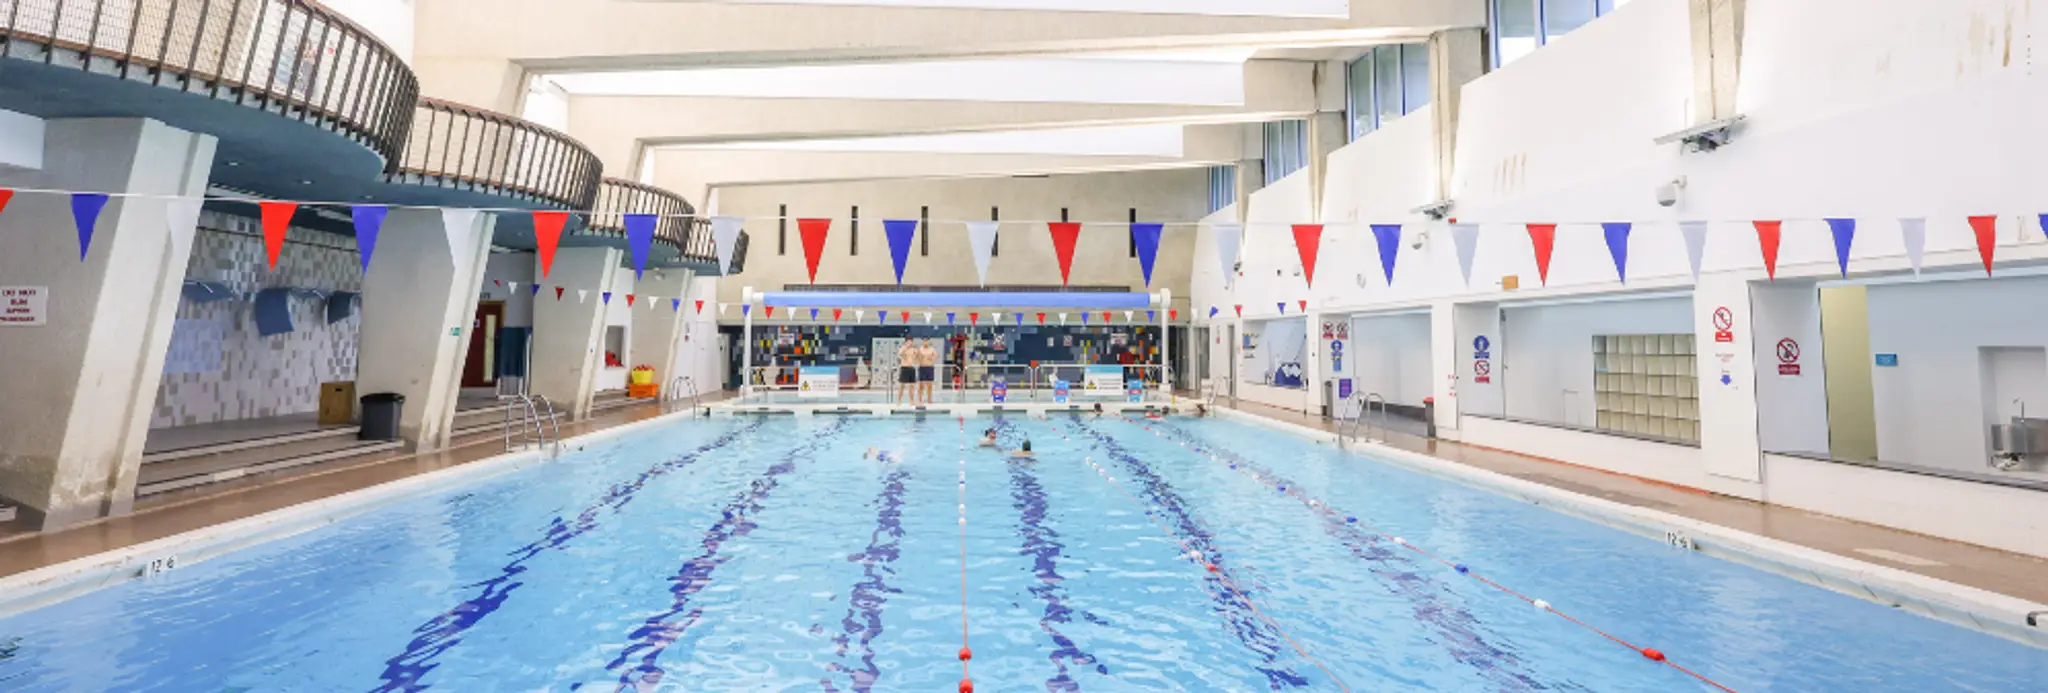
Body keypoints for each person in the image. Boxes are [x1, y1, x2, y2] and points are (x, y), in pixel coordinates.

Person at [918, 339, 940, 404]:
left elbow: (936, 356)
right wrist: (920, 357)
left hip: (930, 368)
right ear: (923, 342)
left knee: (930, 386)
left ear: (929, 342)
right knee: (921, 385)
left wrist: (932, 358)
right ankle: (920, 400)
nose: (926, 342)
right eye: (924, 341)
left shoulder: (932, 349)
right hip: (922, 368)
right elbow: (917, 357)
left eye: (927, 341)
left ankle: (929, 400)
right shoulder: (920, 349)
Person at [896, 340, 918, 405]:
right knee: (902, 385)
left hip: (912, 368)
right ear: (905, 342)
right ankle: (899, 401)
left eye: (910, 342)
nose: (910, 343)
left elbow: (916, 357)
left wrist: (916, 353)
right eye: (908, 342)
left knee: (912, 386)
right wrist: (906, 347)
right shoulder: (902, 348)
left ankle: (911, 401)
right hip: (904, 368)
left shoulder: (913, 349)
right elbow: (900, 354)